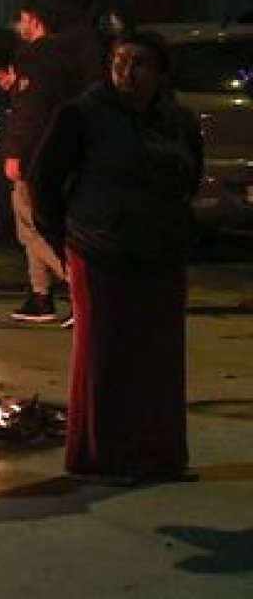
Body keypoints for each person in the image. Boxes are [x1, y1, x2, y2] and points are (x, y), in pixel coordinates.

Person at [29, 31, 203, 483]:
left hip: (162, 252)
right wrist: (61, 236)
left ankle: (160, 455)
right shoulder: (82, 115)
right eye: (120, 62)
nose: (128, 73)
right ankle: (102, 457)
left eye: (140, 63)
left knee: (160, 358)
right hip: (101, 251)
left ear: (160, 72)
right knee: (105, 357)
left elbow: (189, 174)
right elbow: (43, 178)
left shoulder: (177, 121)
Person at [0, 0, 103, 325]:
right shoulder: (68, 56)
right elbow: (49, 99)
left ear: (34, 20)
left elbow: (31, 110)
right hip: (62, 151)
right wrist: (15, 85)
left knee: (32, 227)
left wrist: (15, 152)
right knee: (33, 224)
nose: (19, 26)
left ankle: (79, 288)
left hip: (35, 155)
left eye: (22, 19)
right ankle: (40, 296)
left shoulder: (34, 56)